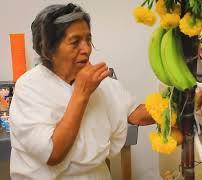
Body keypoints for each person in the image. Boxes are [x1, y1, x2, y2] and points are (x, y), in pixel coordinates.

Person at [9, 3, 154, 179]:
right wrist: (81, 93)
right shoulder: (29, 87)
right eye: (75, 41)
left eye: (88, 39)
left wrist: (176, 105)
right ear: (49, 49)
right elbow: (52, 154)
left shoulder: (101, 83)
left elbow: (134, 114)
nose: (86, 49)